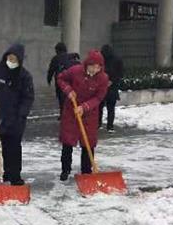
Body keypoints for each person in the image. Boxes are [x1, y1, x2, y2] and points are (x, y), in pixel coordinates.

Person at [0, 43, 34, 185]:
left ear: (20, 60)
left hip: (17, 117)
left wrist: (22, 113)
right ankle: (6, 173)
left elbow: (28, 97)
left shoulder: (24, 76)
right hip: (1, 115)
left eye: (14, 59)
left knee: (15, 146)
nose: (11, 62)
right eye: (9, 58)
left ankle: (15, 175)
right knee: (5, 145)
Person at [57, 49, 109, 181]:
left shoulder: (103, 78)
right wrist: (68, 90)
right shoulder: (75, 71)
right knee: (68, 141)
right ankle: (65, 169)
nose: (94, 70)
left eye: (98, 67)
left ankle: (86, 172)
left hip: (89, 114)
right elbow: (61, 78)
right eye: (92, 66)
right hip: (71, 111)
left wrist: (85, 107)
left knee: (88, 142)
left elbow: (99, 97)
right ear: (87, 64)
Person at [46, 42, 80, 118]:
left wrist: (49, 79)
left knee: (61, 99)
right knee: (70, 97)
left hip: (60, 81)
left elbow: (51, 70)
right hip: (71, 81)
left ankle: (63, 114)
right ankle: (70, 113)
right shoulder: (71, 57)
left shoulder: (56, 58)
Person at [99, 44, 124, 133]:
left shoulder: (101, 60)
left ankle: (99, 124)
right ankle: (110, 126)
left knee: (100, 106)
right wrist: (113, 81)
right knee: (111, 108)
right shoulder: (117, 59)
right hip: (112, 88)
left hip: (104, 87)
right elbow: (120, 73)